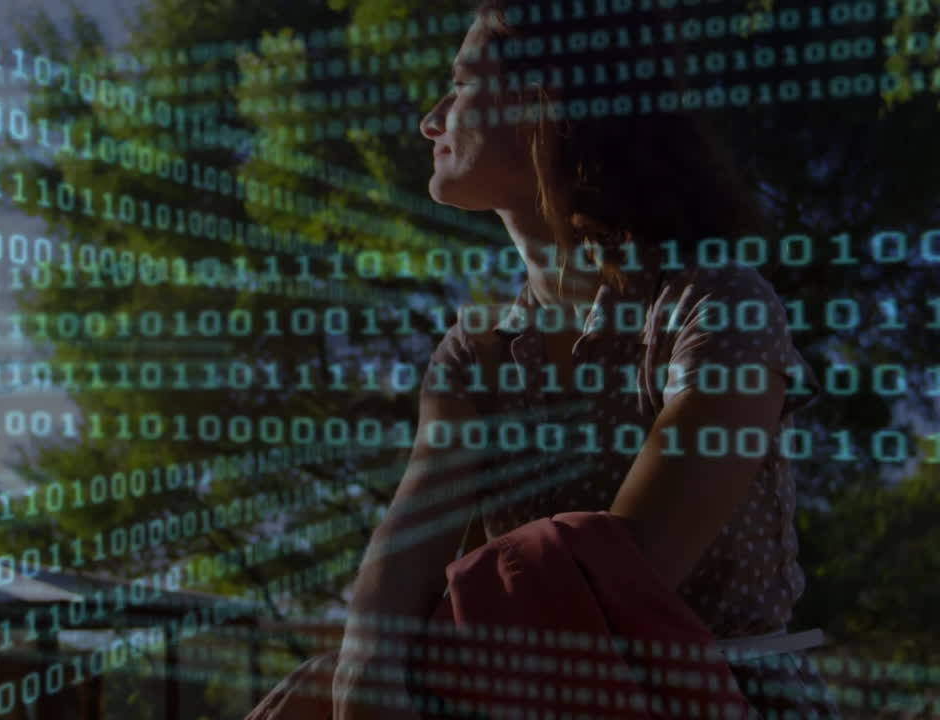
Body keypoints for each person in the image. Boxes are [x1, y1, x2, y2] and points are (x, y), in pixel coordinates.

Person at [249, 2, 842, 719]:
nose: (430, 120)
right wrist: (358, 666)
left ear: (546, 96)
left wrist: (361, 673)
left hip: (713, 698)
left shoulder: (716, 305)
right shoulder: (475, 354)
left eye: (461, 83)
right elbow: (403, 555)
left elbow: (621, 584)